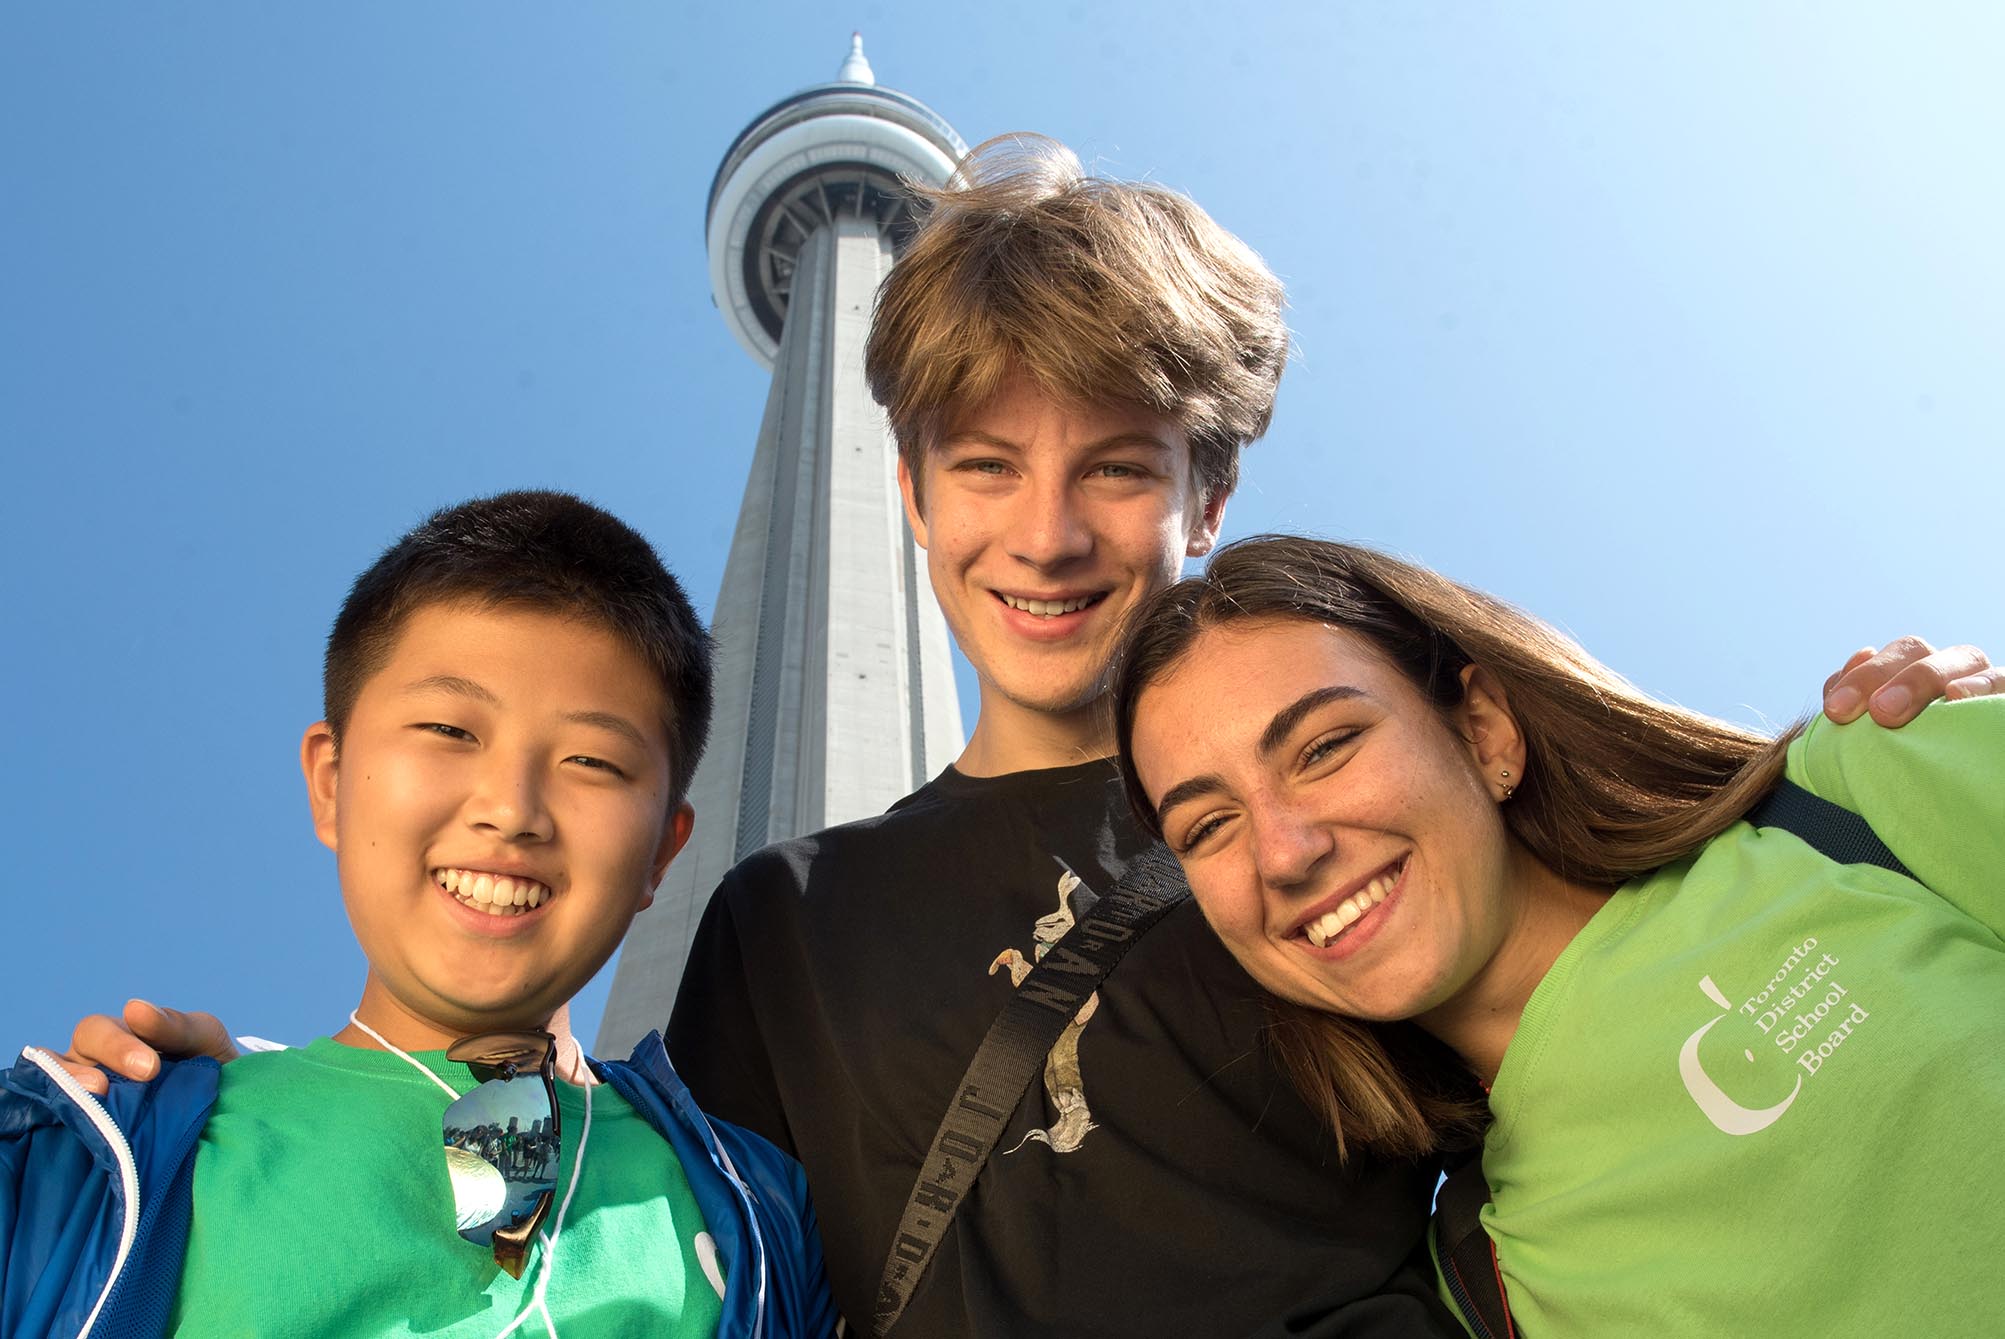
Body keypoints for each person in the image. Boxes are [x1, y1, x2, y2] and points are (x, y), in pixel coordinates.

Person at [49, 139, 1999, 1337]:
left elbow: (1636, 984)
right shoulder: (790, 914)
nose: (1047, 532)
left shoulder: (1348, 808)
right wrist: (255, 1115)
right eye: (983, 463)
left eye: (1118, 468)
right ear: (910, 496)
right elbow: (576, 1217)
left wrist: (1855, 744)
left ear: (1206, 497)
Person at [1114, 534, 2005, 1336]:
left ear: (1483, 729)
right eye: (1208, 827)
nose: (1283, 852)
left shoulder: (1855, 791)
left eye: (1324, 746)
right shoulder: (1484, 1285)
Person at [2, 491, 836, 1338]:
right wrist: (105, 1126)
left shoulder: (771, 1220)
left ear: (663, 850)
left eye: (591, 759)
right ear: (331, 781)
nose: (511, 810)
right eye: (447, 728)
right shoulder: (79, 1163)